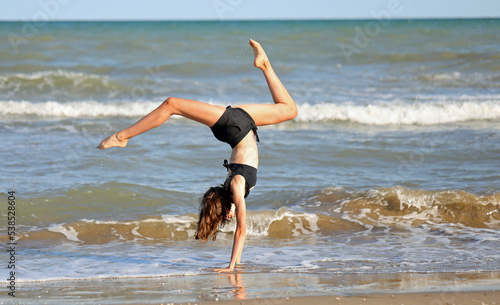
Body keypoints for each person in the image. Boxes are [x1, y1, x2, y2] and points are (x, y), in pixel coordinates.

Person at [98, 39, 298, 273]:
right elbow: (235, 209)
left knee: (171, 104)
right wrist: (230, 208)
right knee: (290, 109)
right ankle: (264, 64)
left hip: (236, 126)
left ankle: (122, 137)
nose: (230, 218)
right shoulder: (235, 188)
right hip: (243, 124)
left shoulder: (236, 184)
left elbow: (242, 229)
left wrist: (231, 266)